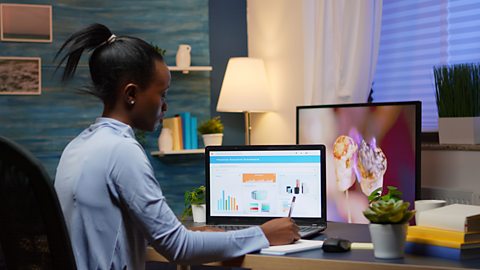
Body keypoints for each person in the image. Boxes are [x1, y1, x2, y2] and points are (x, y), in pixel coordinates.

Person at [54, 23, 300, 270]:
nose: (165, 106)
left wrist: (186, 232)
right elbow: (177, 247)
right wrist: (264, 234)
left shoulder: (76, 147)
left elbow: (107, 231)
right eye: (162, 94)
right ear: (131, 94)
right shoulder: (122, 151)